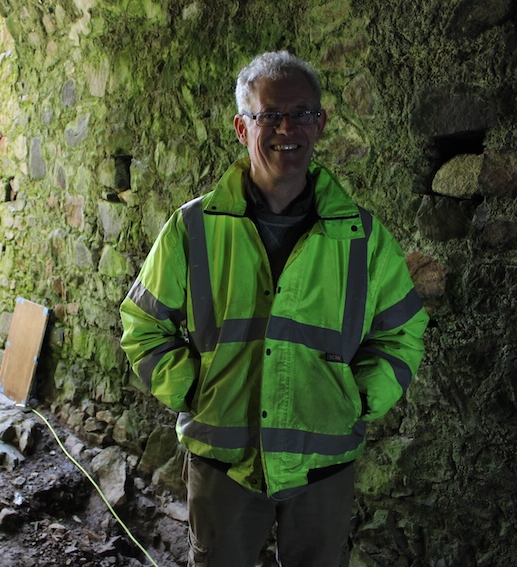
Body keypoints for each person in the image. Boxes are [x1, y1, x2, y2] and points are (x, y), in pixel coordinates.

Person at [119, 50, 429, 567]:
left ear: (321, 123)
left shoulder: (362, 237)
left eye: (303, 113)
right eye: (270, 115)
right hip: (223, 461)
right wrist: (193, 391)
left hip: (323, 466)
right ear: (243, 128)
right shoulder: (193, 228)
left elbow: (403, 332)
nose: (288, 127)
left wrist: (355, 399)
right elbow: (143, 323)